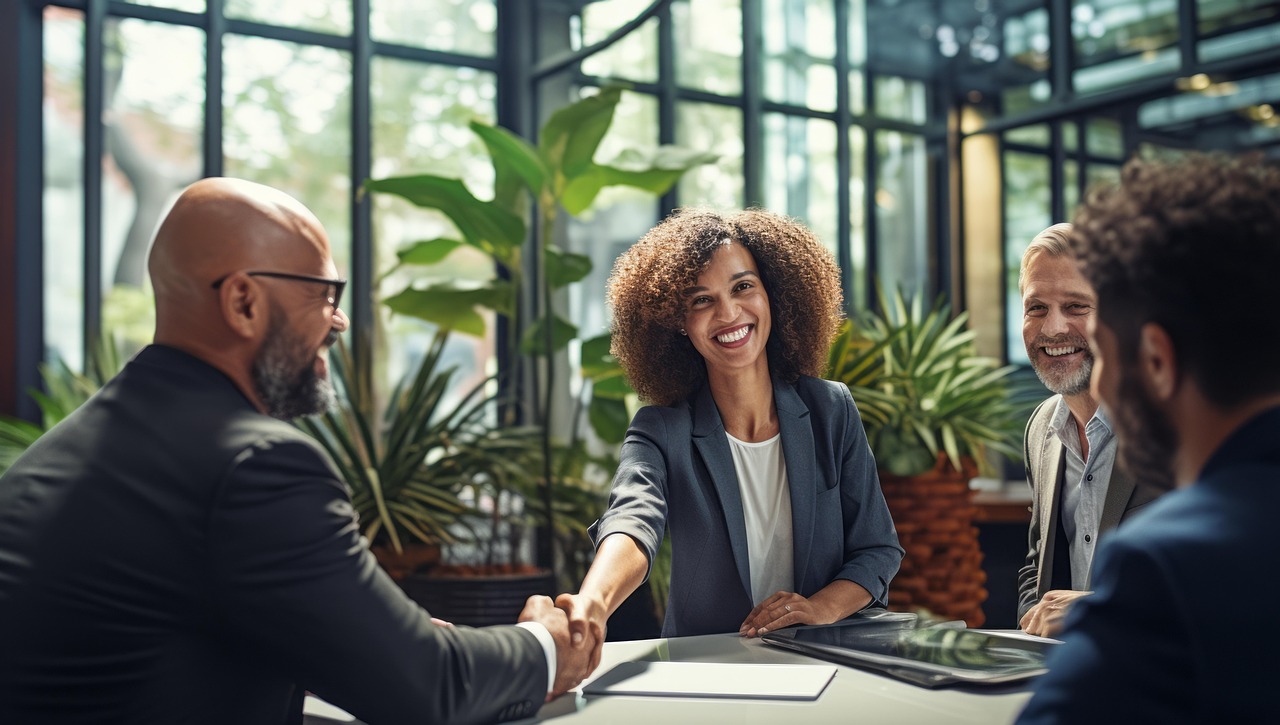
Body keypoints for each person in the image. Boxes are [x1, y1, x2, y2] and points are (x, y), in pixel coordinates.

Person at [0, 178, 593, 724]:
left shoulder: (53, 457)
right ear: (243, 302)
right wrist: (543, 644)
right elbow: (427, 686)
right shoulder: (253, 464)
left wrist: (371, 635)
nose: (338, 322)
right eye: (324, 293)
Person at [555, 207, 903, 660]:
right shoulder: (662, 429)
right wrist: (592, 605)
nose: (728, 312)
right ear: (678, 321)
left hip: (827, 660)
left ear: (773, 294)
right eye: (701, 300)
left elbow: (877, 549)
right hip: (708, 666)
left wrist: (819, 608)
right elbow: (632, 522)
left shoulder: (830, 410)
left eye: (743, 287)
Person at [1017, 154, 1280, 722]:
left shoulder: (1165, 563)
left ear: (1157, 359)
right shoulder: (1041, 428)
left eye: (1110, 348)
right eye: (1037, 307)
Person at [1015, 223, 1163, 637]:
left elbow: (1224, 577)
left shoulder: (1178, 424)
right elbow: (1037, 562)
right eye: (1036, 307)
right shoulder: (1041, 427)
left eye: (1077, 306)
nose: (1053, 329)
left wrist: (1100, 610)